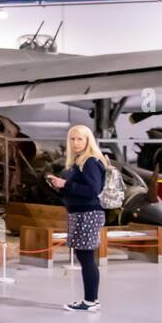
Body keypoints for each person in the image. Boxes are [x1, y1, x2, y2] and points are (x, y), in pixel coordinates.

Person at [46, 125, 107, 312]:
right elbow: (77, 190)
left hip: (88, 213)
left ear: (88, 140)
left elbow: (93, 190)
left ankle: (90, 301)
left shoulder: (90, 161)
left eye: (80, 139)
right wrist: (61, 186)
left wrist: (66, 184)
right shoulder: (78, 161)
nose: (76, 143)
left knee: (86, 257)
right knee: (84, 256)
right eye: (72, 139)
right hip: (79, 213)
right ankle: (90, 300)